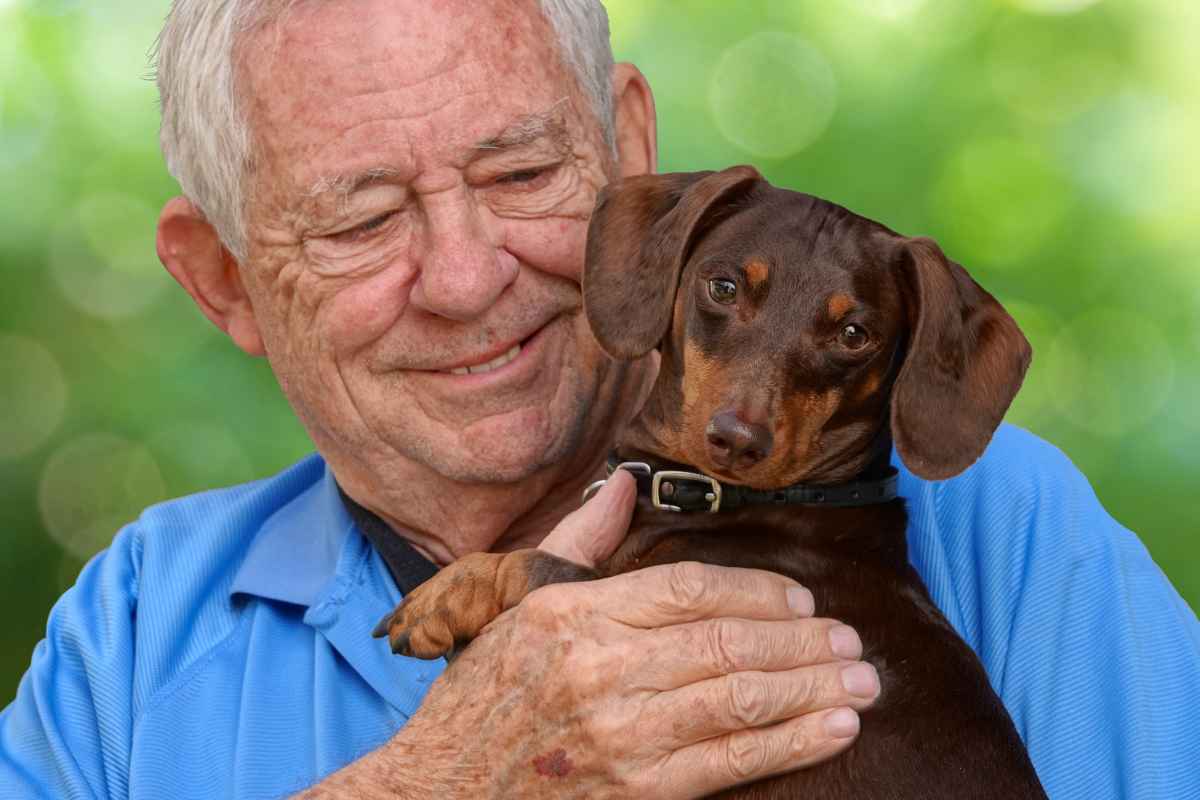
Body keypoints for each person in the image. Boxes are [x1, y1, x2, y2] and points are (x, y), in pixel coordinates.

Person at [1, 0, 1197, 798]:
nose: (469, 278)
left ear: (628, 149)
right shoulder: (135, 637)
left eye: (522, 172)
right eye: (362, 219)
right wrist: (435, 782)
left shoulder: (999, 531)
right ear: (225, 280)